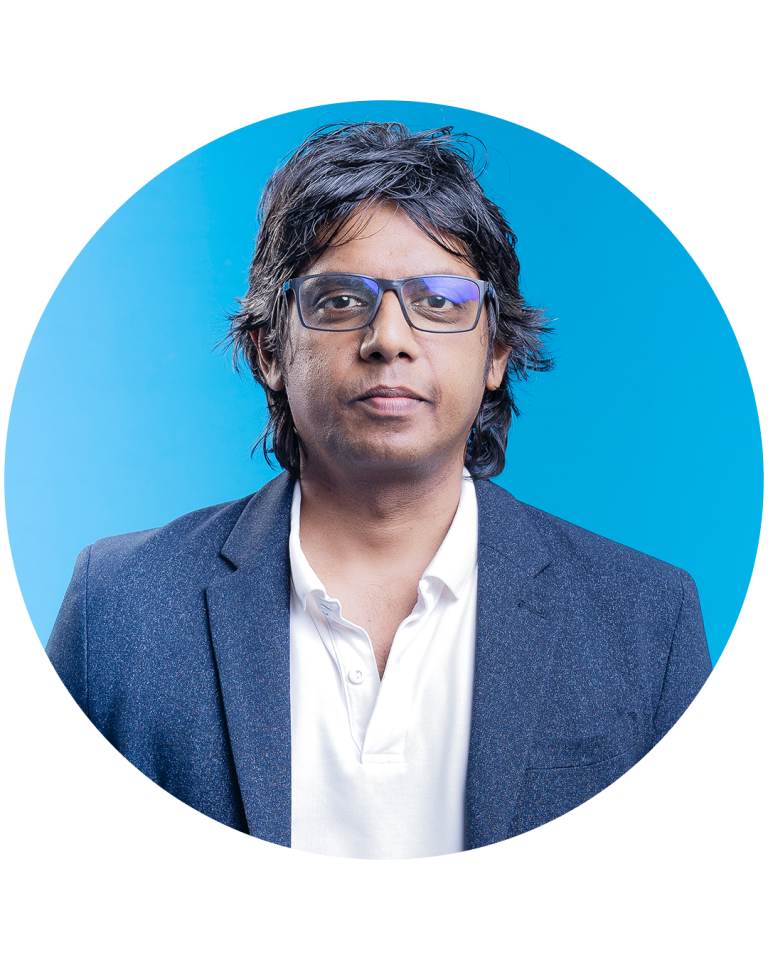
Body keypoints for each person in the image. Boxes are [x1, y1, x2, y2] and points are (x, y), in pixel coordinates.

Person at [45, 121, 712, 858]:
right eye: (339, 300)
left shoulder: (647, 621)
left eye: (439, 301)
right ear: (269, 351)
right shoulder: (120, 605)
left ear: (496, 352)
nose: (389, 339)